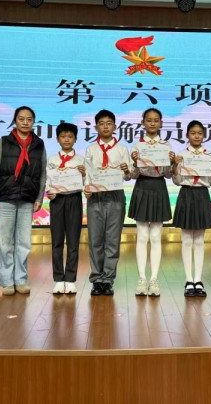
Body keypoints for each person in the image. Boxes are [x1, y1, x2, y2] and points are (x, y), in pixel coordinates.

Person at [0, 106, 46, 296]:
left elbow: (42, 173)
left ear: (33, 122)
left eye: (29, 119)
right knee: (4, 242)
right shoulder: (4, 142)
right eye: (21, 119)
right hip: (5, 197)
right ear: (15, 121)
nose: (25, 122)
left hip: (28, 198)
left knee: (24, 242)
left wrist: (39, 197)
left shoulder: (39, 144)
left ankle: (20, 280)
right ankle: (6, 281)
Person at [83, 110, 132, 296]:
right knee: (95, 239)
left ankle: (108, 279)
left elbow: (128, 176)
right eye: (102, 123)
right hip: (96, 196)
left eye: (109, 123)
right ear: (96, 127)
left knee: (112, 239)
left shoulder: (122, 149)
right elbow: (87, 174)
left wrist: (126, 170)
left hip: (115, 195)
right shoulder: (91, 149)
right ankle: (97, 279)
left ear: (115, 126)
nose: (105, 126)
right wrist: (86, 188)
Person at [172, 120, 211, 298]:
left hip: (202, 195)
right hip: (186, 194)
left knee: (199, 240)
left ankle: (198, 280)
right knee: (186, 240)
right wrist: (174, 166)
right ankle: (188, 280)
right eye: (193, 133)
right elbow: (177, 181)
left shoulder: (210, 156)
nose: (196, 136)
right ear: (187, 135)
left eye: (200, 133)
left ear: (204, 135)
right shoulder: (181, 155)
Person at [129, 108, 175, 297]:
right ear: (143, 123)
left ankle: (154, 279)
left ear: (161, 123)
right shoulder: (137, 146)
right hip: (142, 186)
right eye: (149, 120)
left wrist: (172, 163)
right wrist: (134, 163)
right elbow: (132, 175)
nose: (152, 123)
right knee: (142, 236)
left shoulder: (166, 145)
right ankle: (141, 279)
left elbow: (169, 175)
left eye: (156, 120)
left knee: (156, 236)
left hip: (159, 187)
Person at [46, 123, 86, 295]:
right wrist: (49, 192)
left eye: (70, 136)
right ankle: (58, 279)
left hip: (74, 199)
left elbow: (88, 182)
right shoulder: (52, 160)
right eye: (63, 136)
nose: (67, 139)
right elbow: (48, 180)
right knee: (56, 241)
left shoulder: (81, 160)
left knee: (73, 241)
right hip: (57, 201)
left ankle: (70, 279)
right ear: (57, 139)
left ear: (75, 139)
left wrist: (84, 174)